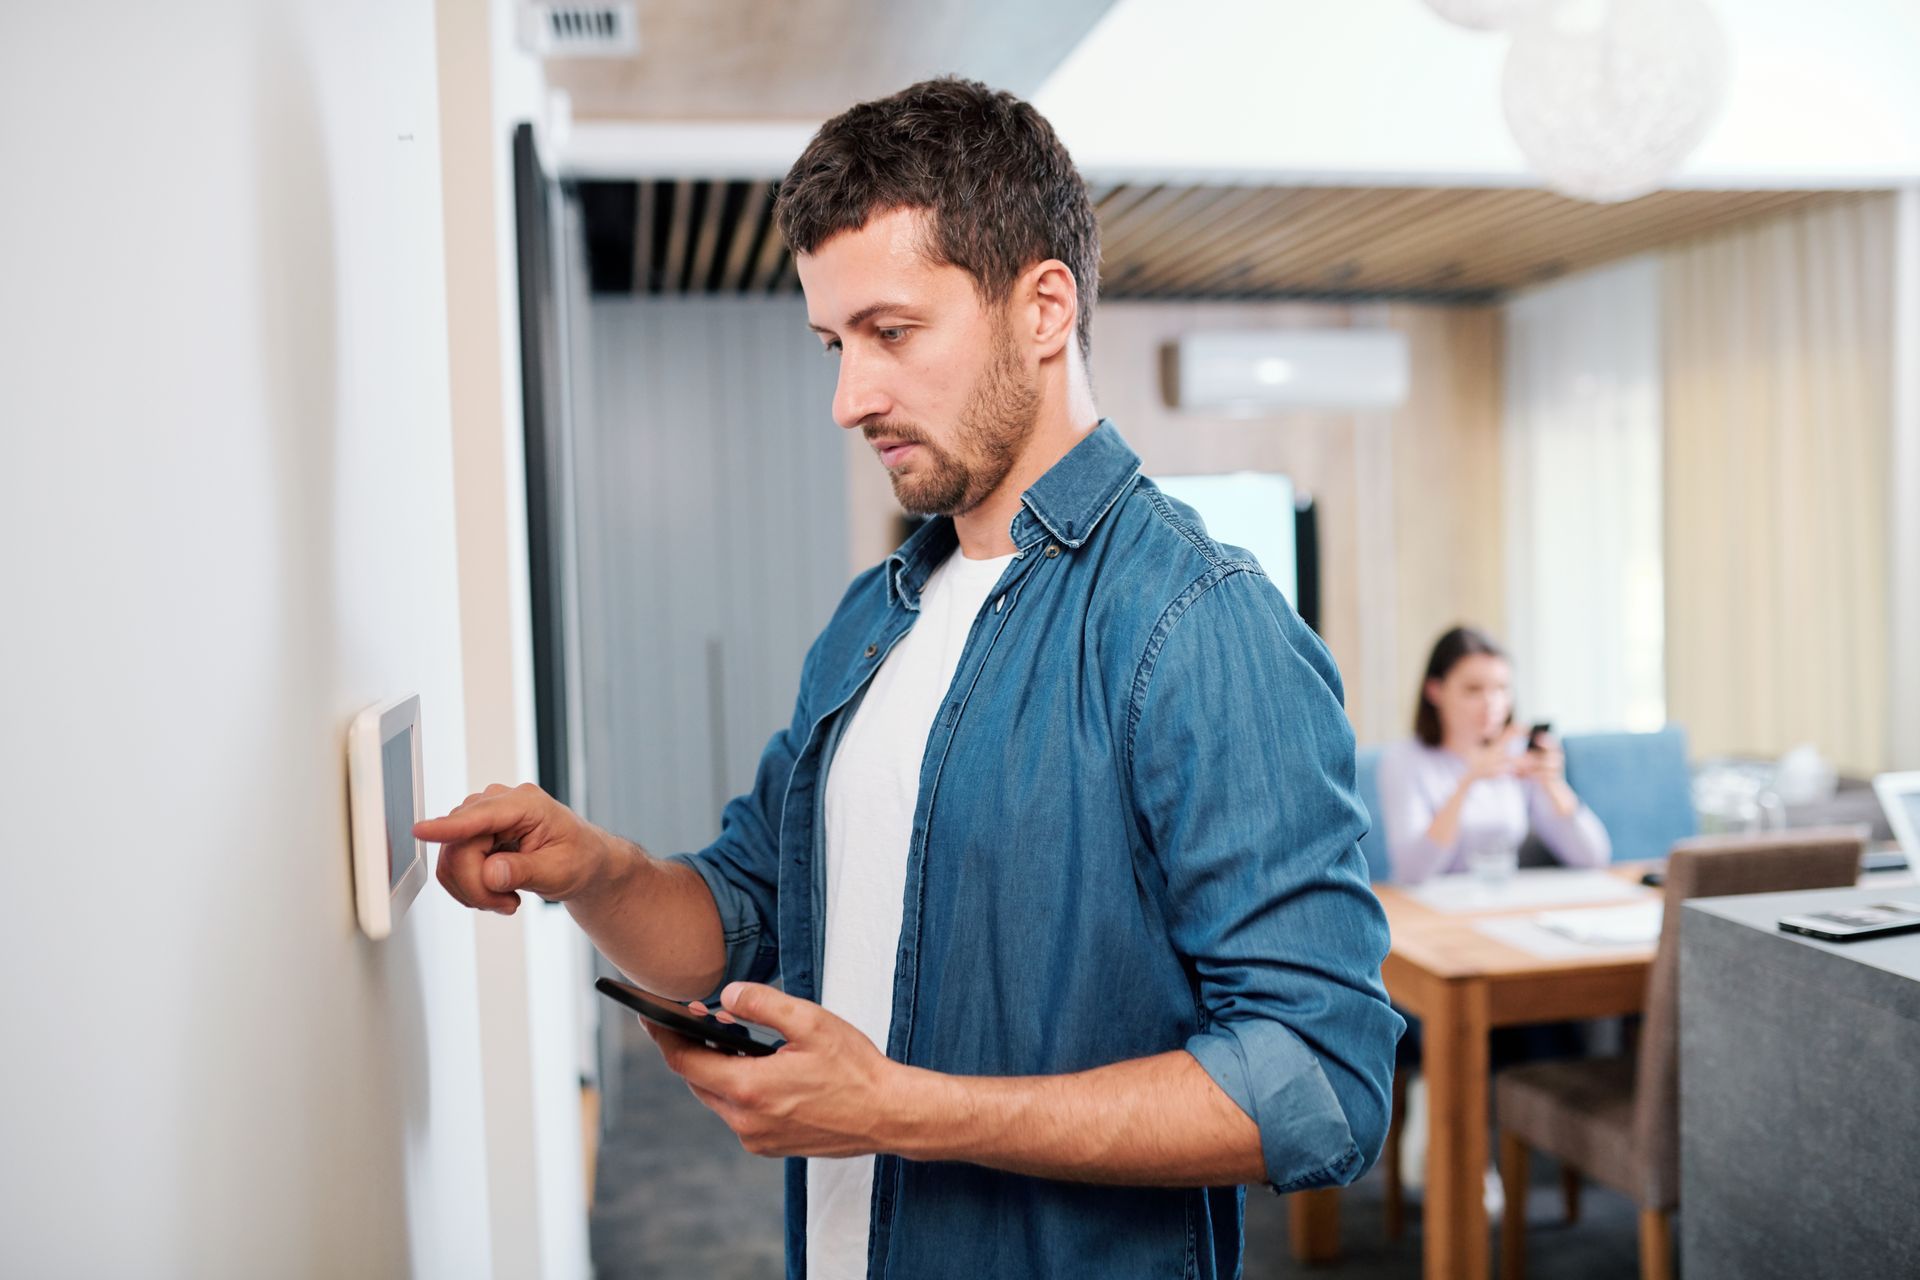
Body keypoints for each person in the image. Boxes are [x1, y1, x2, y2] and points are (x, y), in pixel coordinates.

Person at [416, 78, 1400, 1280]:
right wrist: (598, 870)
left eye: (891, 333)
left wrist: (896, 1108)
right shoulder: (872, 619)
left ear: (1044, 308)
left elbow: (1324, 1081)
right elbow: (751, 916)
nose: (849, 398)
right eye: (836, 345)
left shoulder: (1198, 624)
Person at [1377, 625, 1611, 884]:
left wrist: (1553, 784)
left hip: (1498, 904)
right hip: (1429, 912)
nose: (1492, 703)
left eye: (1501, 688)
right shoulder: (1404, 760)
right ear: (1435, 691)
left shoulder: (1516, 756)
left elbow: (1593, 858)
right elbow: (1412, 873)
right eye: (1473, 690)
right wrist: (1468, 782)